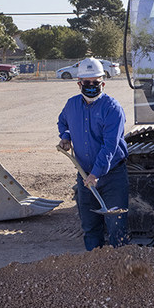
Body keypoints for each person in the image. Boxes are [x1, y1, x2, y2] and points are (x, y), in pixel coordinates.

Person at [56, 57, 129, 250]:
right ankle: (95, 265)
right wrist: (66, 137)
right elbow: (62, 121)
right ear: (79, 83)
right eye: (86, 83)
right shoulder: (71, 105)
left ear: (103, 83)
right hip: (84, 175)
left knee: (116, 227)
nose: (90, 86)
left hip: (112, 176)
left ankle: (120, 268)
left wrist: (95, 174)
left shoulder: (112, 109)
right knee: (90, 227)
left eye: (95, 83)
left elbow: (109, 147)